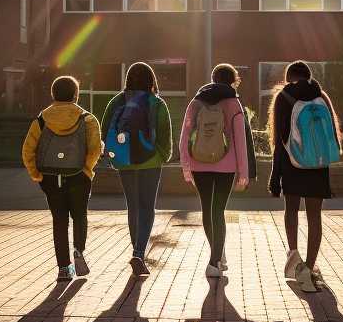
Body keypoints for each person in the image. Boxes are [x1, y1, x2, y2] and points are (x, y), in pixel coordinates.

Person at [267, 60, 342, 293]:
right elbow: (332, 137)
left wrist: (275, 177)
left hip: (292, 163)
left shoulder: (283, 97)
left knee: (291, 209)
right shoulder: (321, 97)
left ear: (288, 77)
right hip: (318, 165)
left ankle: (294, 256)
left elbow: (279, 140)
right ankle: (309, 267)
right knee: (314, 216)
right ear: (308, 76)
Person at [22, 75, 104, 281]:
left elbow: (27, 151)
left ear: (53, 94)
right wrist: (86, 169)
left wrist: (37, 175)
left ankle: (62, 268)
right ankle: (79, 252)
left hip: (49, 175)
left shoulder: (41, 120)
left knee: (59, 221)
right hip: (79, 176)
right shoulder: (88, 119)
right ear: (76, 94)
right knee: (79, 216)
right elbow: (94, 150)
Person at [102, 62, 174, 277]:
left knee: (132, 206)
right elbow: (164, 134)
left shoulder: (116, 101)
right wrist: (162, 156)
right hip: (150, 161)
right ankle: (138, 253)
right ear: (151, 80)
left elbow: (105, 131)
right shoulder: (156, 102)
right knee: (146, 207)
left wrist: (116, 155)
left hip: (124, 161)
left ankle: (137, 252)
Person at [179, 63, 250, 278]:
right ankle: (215, 260)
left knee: (207, 210)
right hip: (226, 167)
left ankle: (216, 255)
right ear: (233, 81)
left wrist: (186, 166)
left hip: (199, 163)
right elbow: (240, 140)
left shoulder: (196, 101)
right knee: (218, 210)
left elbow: (184, 137)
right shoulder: (233, 103)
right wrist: (244, 172)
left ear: (213, 78)